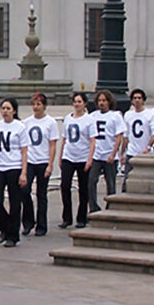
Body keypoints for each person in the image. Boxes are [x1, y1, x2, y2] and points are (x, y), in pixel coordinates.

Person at [0, 98, 29, 248]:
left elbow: (24, 151)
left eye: (8, 108)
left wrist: (24, 172)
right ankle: (4, 227)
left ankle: (13, 236)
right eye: (3, 108)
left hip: (14, 167)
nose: (5, 111)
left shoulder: (20, 127)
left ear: (14, 111)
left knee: (15, 203)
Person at [59, 92, 96, 229]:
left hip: (83, 157)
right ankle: (66, 217)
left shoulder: (89, 120)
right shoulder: (68, 119)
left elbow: (92, 141)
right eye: (75, 101)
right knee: (65, 186)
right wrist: (61, 156)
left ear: (84, 103)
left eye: (79, 101)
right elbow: (65, 139)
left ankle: (81, 217)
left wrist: (89, 159)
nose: (77, 104)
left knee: (83, 189)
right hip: (69, 156)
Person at [23, 93, 58, 235]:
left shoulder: (50, 122)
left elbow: (52, 145)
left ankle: (42, 225)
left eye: (38, 104)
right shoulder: (27, 122)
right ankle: (28, 221)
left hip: (43, 161)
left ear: (44, 106)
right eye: (34, 104)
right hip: (30, 161)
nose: (36, 107)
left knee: (41, 194)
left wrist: (50, 164)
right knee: (24, 190)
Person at [88, 90, 125, 212]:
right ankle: (93, 207)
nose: (101, 103)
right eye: (99, 101)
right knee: (91, 181)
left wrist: (114, 154)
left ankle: (111, 207)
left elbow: (118, 137)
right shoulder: (93, 116)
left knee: (110, 183)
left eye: (104, 100)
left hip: (109, 155)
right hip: (96, 155)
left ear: (109, 102)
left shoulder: (115, 116)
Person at [121, 88, 151, 190]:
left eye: (139, 98)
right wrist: (122, 152)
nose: (137, 100)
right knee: (127, 178)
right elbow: (126, 136)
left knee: (145, 179)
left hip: (145, 152)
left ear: (143, 100)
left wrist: (148, 147)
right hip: (131, 151)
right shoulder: (128, 114)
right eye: (135, 98)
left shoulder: (149, 114)